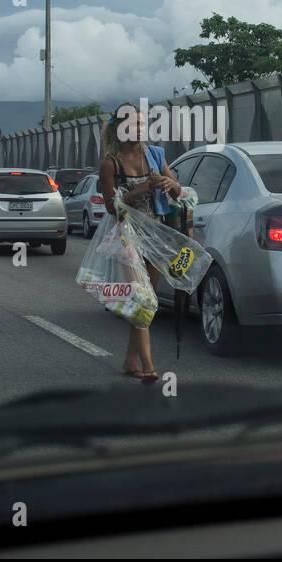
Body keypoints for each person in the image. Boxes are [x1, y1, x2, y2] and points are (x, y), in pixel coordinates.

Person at [98, 102, 182, 382]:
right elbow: (111, 207)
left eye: (141, 124)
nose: (138, 130)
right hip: (127, 237)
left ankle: (129, 361)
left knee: (147, 303)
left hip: (155, 235)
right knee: (142, 300)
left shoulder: (156, 155)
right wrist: (142, 188)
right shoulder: (111, 163)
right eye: (132, 125)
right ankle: (148, 366)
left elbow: (179, 191)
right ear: (120, 128)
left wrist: (171, 185)